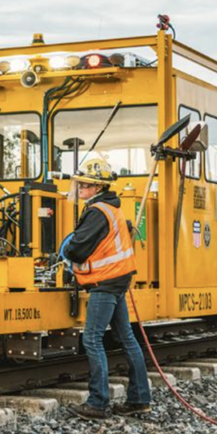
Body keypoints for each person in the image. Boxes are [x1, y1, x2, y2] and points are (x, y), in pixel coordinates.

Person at [61, 158, 152, 420]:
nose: (79, 188)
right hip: (117, 280)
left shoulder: (97, 211)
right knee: (127, 339)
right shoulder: (111, 208)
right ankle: (139, 399)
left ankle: (98, 404)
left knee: (92, 338)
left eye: (84, 185)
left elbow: (77, 249)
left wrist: (66, 250)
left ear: (97, 186)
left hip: (105, 282)